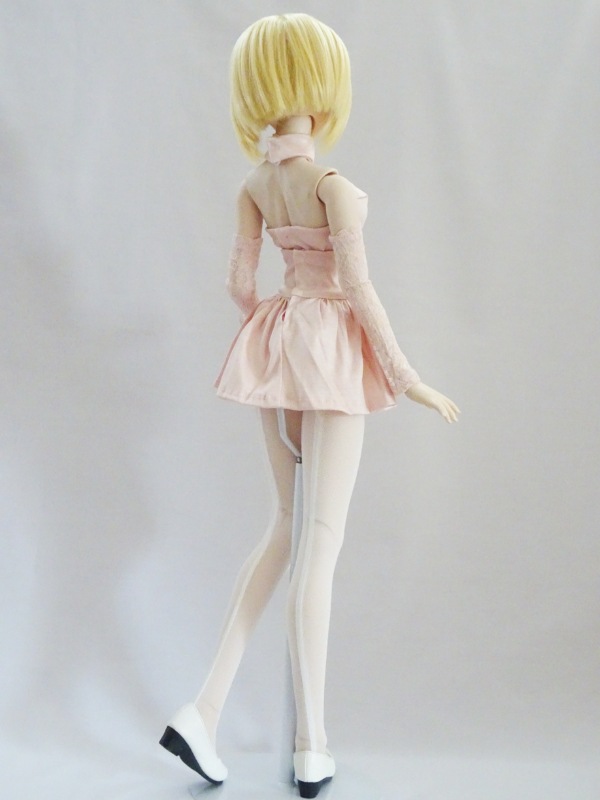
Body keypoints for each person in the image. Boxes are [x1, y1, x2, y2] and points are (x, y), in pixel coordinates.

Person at [159, 12, 460, 798]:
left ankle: (203, 708)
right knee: (318, 544)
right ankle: (311, 745)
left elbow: (238, 284)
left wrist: (279, 323)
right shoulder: (334, 189)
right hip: (330, 357)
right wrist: (406, 377)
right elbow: (360, 292)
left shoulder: (255, 185)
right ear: (323, 90)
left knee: (285, 528)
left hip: (278, 343)